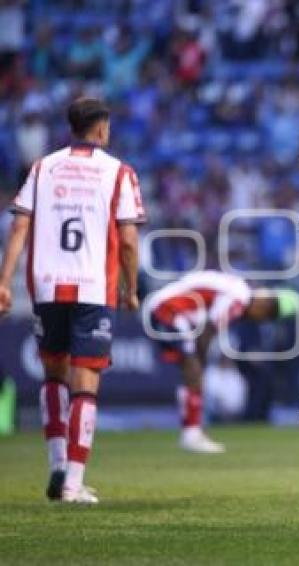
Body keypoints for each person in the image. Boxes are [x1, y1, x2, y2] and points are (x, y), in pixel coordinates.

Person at [0, 97, 145, 503]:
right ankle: (73, 483)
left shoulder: (42, 167)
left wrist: (4, 282)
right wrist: (131, 288)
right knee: (85, 384)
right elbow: (129, 240)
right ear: (100, 129)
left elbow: (19, 228)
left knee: (53, 376)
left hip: (47, 286)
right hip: (93, 287)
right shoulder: (119, 172)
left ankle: (57, 464)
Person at [144, 270, 299, 453]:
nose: (261, 320)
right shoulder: (239, 299)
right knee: (192, 368)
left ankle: (191, 432)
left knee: (191, 369)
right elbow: (210, 328)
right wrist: (200, 361)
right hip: (168, 309)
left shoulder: (238, 289)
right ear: (264, 303)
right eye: (268, 314)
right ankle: (191, 435)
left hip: (171, 309)